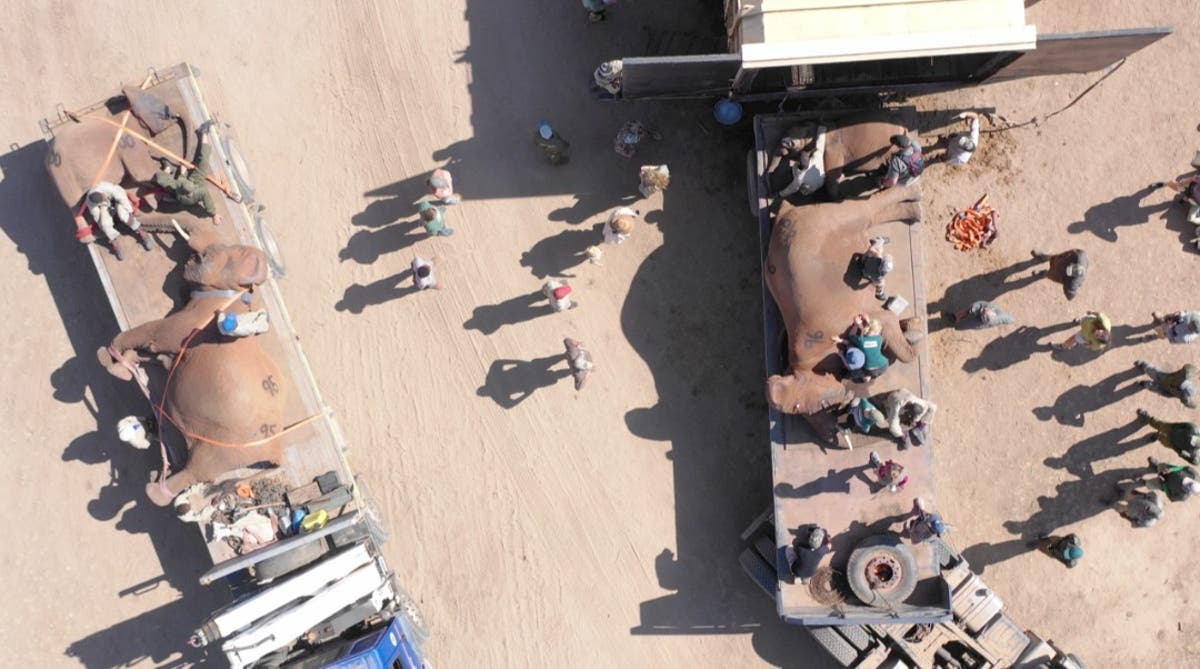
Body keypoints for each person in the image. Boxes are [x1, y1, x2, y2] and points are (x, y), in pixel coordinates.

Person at [151, 120, 219, 220]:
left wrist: (182, 172)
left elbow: (169, 180)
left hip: (193, 182)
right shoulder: (199, 191)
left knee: (162, 179)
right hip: (193, 183)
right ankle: (204, 133)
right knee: (204, 161)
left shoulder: (194, 191)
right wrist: (214, 214)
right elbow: (208, 202)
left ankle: (168, 168)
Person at [84, 181, 152, 261]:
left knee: (124, 215)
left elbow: (122, 198)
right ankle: (115, 244)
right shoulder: (91, 203)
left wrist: (130, 212)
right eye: (102, 199)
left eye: (103, 196)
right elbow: (97, 217)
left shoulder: (105, 187)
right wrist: (104, 228)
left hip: (117, 198)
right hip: (105, 205)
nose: (104, 198)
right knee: (104, 223)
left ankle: (142, 233)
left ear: (101, 193)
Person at [769, 126, 828, 198]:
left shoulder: (799, 178)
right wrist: (822, 128)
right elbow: (820, 143)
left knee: (802, 189)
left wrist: (779, 194)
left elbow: (791, 189)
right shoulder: (817, 158)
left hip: (811, 188)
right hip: (822, 180)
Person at [832, 315, 888, 381]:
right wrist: (868, 321)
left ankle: (866, 376)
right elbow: (874, 331)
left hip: (869, 370)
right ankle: (868, 376)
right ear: (877, 332)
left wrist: (856, 325)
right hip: (883, 366)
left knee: (858, 368)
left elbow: (851, 336)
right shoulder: (879, 339)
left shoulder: (861, 340)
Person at [1134, 360, 1199, 408]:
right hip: (1166, 378)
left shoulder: (1185, 398)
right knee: (1154, 372)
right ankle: (1143, 365)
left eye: (1182, 388)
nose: (1180, 386)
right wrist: (1197, 371)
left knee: (1154, 388)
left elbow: (1193, 405)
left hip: (1168, 391)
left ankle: (1144, 384)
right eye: (1182, 385)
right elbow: (1188, 368)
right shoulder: (1183, 375)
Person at [858, 236, 893, 300]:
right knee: (882, 283)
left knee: (879, 248)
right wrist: (872, 281)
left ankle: (879, 241)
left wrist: (873, 249)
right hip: (865, 273)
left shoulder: (878, 257)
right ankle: (879, 294)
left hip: (864, 262)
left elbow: (871, 249)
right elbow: (875, 282)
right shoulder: (880, 276)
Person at [946, 300, 1015, 329]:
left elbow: (978, 305)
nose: (985, 309)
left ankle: (955, 319)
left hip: (977, 320)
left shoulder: (974, 323)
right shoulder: (1000, 316)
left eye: (983, 311)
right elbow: (1009, 319)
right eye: (986, 310)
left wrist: (972, 309)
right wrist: (1012, 320)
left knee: (968, 313)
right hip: (988, 319)